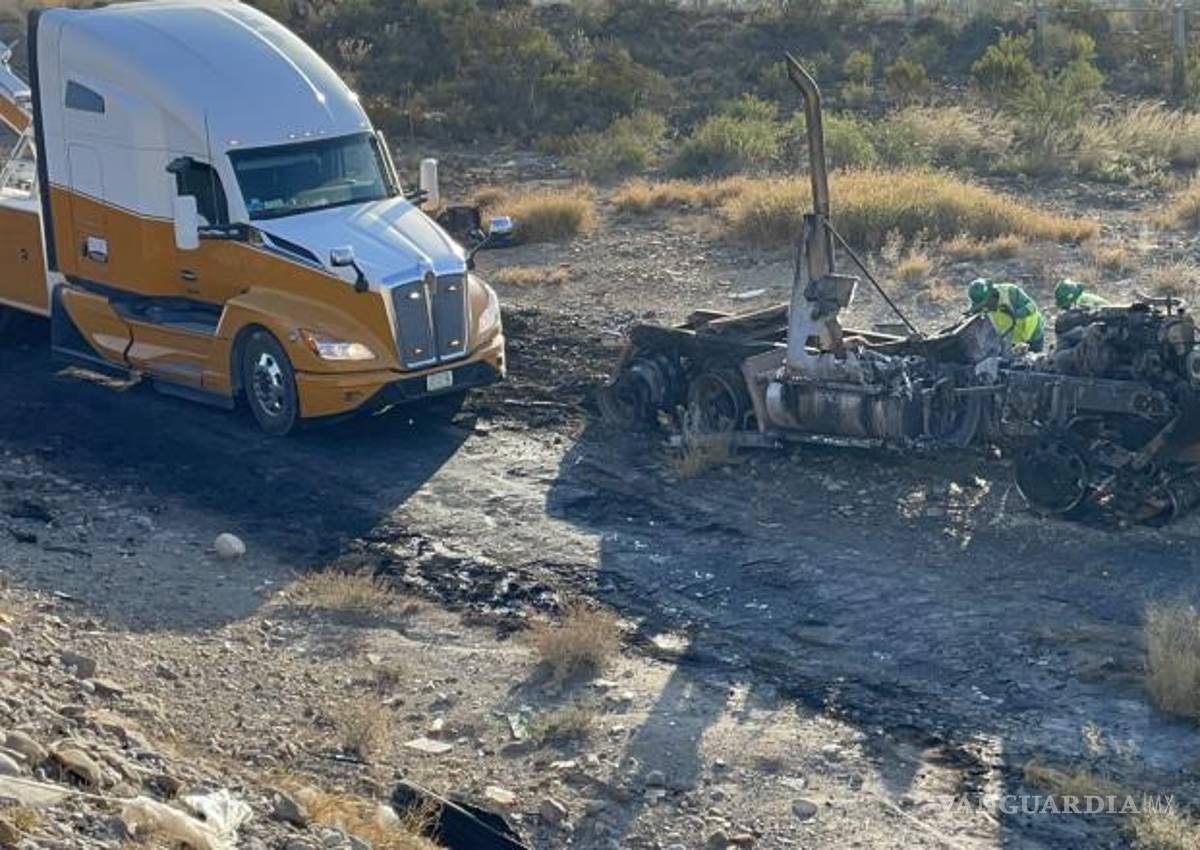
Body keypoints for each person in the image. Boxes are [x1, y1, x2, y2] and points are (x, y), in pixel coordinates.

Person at [965, 278, 1046, 352]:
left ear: (992, 295)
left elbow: (1032, 307)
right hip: (1013, 340)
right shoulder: (985, 304)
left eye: (986, 304)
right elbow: (973, 312)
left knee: (1036, 362)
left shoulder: (1010, 292)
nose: (986, 308)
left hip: (1033, 334)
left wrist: (1015, 313)